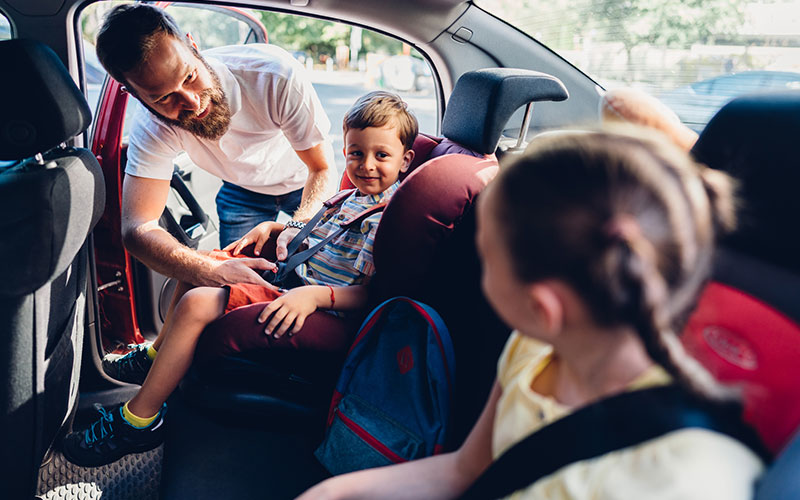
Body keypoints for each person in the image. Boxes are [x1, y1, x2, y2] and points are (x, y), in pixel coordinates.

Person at [296, 126, 764, 499]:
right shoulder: (535, 348)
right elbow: (467, 469)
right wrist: (338, 491)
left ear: (542, 307)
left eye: (483, 259)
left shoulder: (680, 480)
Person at [61, 91, 418, 467]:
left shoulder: (388, 217)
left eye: (381, 155)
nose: (366, 165)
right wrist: (277, 228)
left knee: (198, 300)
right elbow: (323, 241)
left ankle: (139, 421)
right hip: (298, 280)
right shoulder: (352, 198)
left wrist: (315, 298)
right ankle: (155, 355)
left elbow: (376, 295)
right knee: (206, 263)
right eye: (355, 153)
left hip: (325, 308)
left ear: (406, 160)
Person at [95, 3, 339, 289]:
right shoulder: (151, 127)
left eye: (189, 77)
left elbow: (321, 167)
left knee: (325, 274)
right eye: (164, 99)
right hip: (242, 192)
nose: (191, 102)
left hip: (305, 183)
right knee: (238, 287)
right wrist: (210, 270)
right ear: (135, 97)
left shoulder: (274, 76)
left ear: (193, 45)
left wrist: (300, 227)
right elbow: (138, 228)